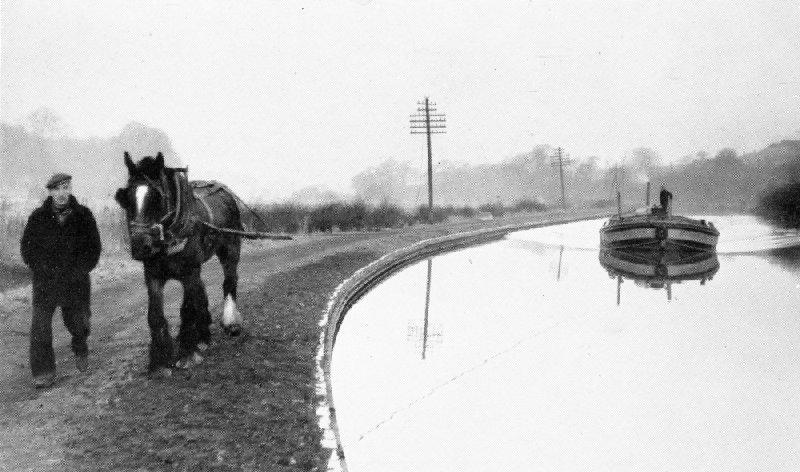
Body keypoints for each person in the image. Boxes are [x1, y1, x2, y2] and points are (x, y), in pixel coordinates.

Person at [20, 173, 102, 388]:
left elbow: (94, 249)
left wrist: (80, 270)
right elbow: (27, 249)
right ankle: (44, 373)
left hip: (75, 283)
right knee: (40, 327)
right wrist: (42, 267)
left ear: (70, 189)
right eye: (57, 189)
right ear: (50, 192)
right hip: (46, 283)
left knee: (79, 324)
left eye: (65, 187)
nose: (62, 193)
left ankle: (80, 344)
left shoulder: (84, 216)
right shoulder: (38, 217)